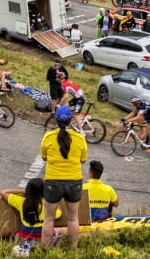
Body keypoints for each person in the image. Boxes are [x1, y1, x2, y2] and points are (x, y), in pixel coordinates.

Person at [40, 105, 87, 247]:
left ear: (55, 119)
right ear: (70, 120)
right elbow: (83, 160)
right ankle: (73, 250)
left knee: (49, 219)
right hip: (74, 182)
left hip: (52, 181)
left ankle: (44, 249)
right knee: (73, 218)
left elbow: (44, 157)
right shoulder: (79, 138)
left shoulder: (48, 136)